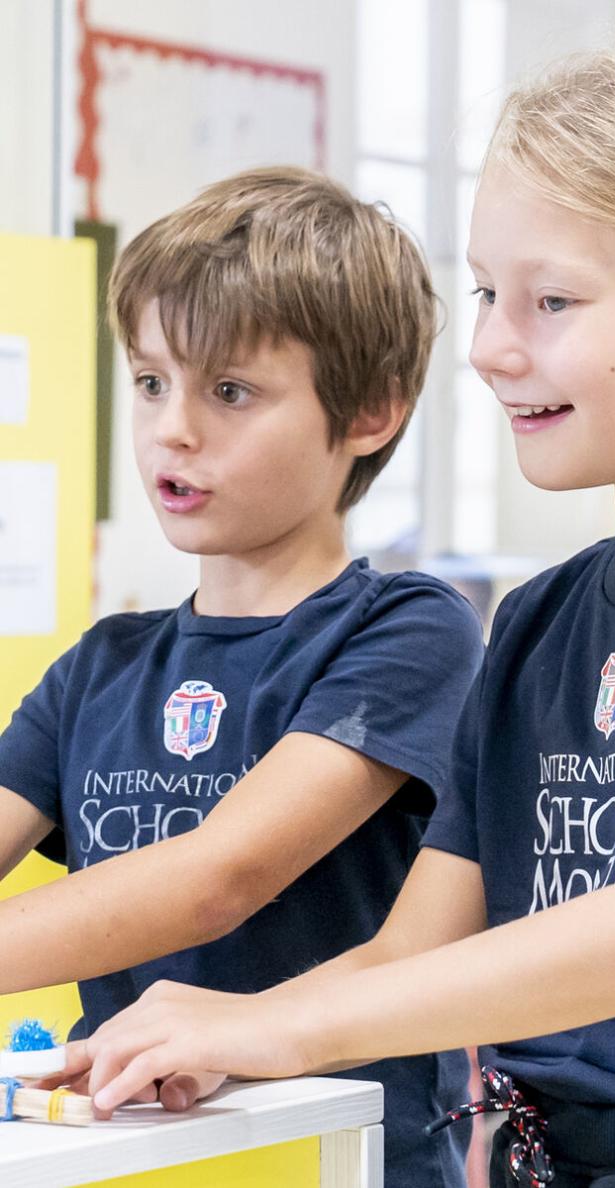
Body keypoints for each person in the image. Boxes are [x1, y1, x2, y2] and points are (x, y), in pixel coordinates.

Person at [59, 50, 615, 1187]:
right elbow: (411, 948)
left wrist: (278, 1031)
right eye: (489, 296)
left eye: (551, 302)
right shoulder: (543, 618)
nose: (496, 347)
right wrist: (213, 1033)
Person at [0, 166, 485, 1187]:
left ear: (370, 414)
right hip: (138, 1156)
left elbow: (219, 878)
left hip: (337, 1155)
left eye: (229, 391)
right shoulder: (102, 667)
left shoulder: (407, 631)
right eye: (149, 381)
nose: (173, 428)